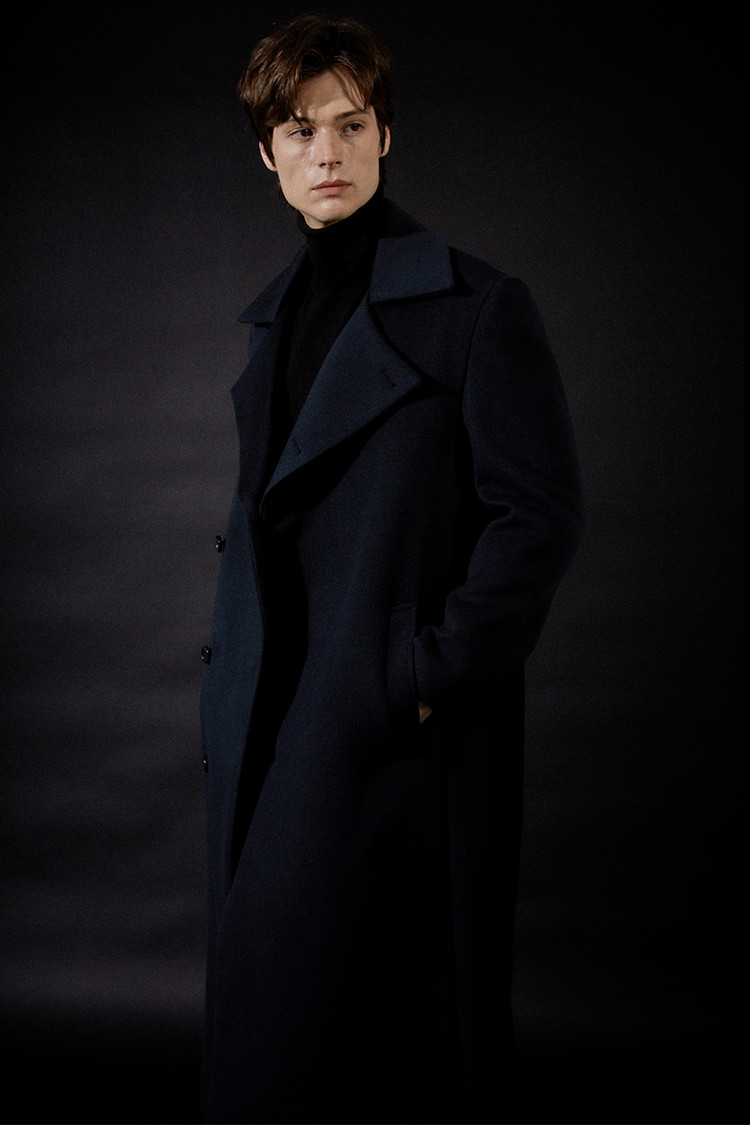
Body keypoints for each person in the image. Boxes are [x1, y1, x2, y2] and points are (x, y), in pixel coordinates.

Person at [199, 14, 583, 1124]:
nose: (327, 152)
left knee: (388, 1039)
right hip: (270, 717)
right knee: (276, 1030)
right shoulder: (273, 323)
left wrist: (420, 674)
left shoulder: (477, 305)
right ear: (266, 154)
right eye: (298, 129)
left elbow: (539, 515)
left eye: (350, 124)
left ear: (384, 136)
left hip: (388, 727)